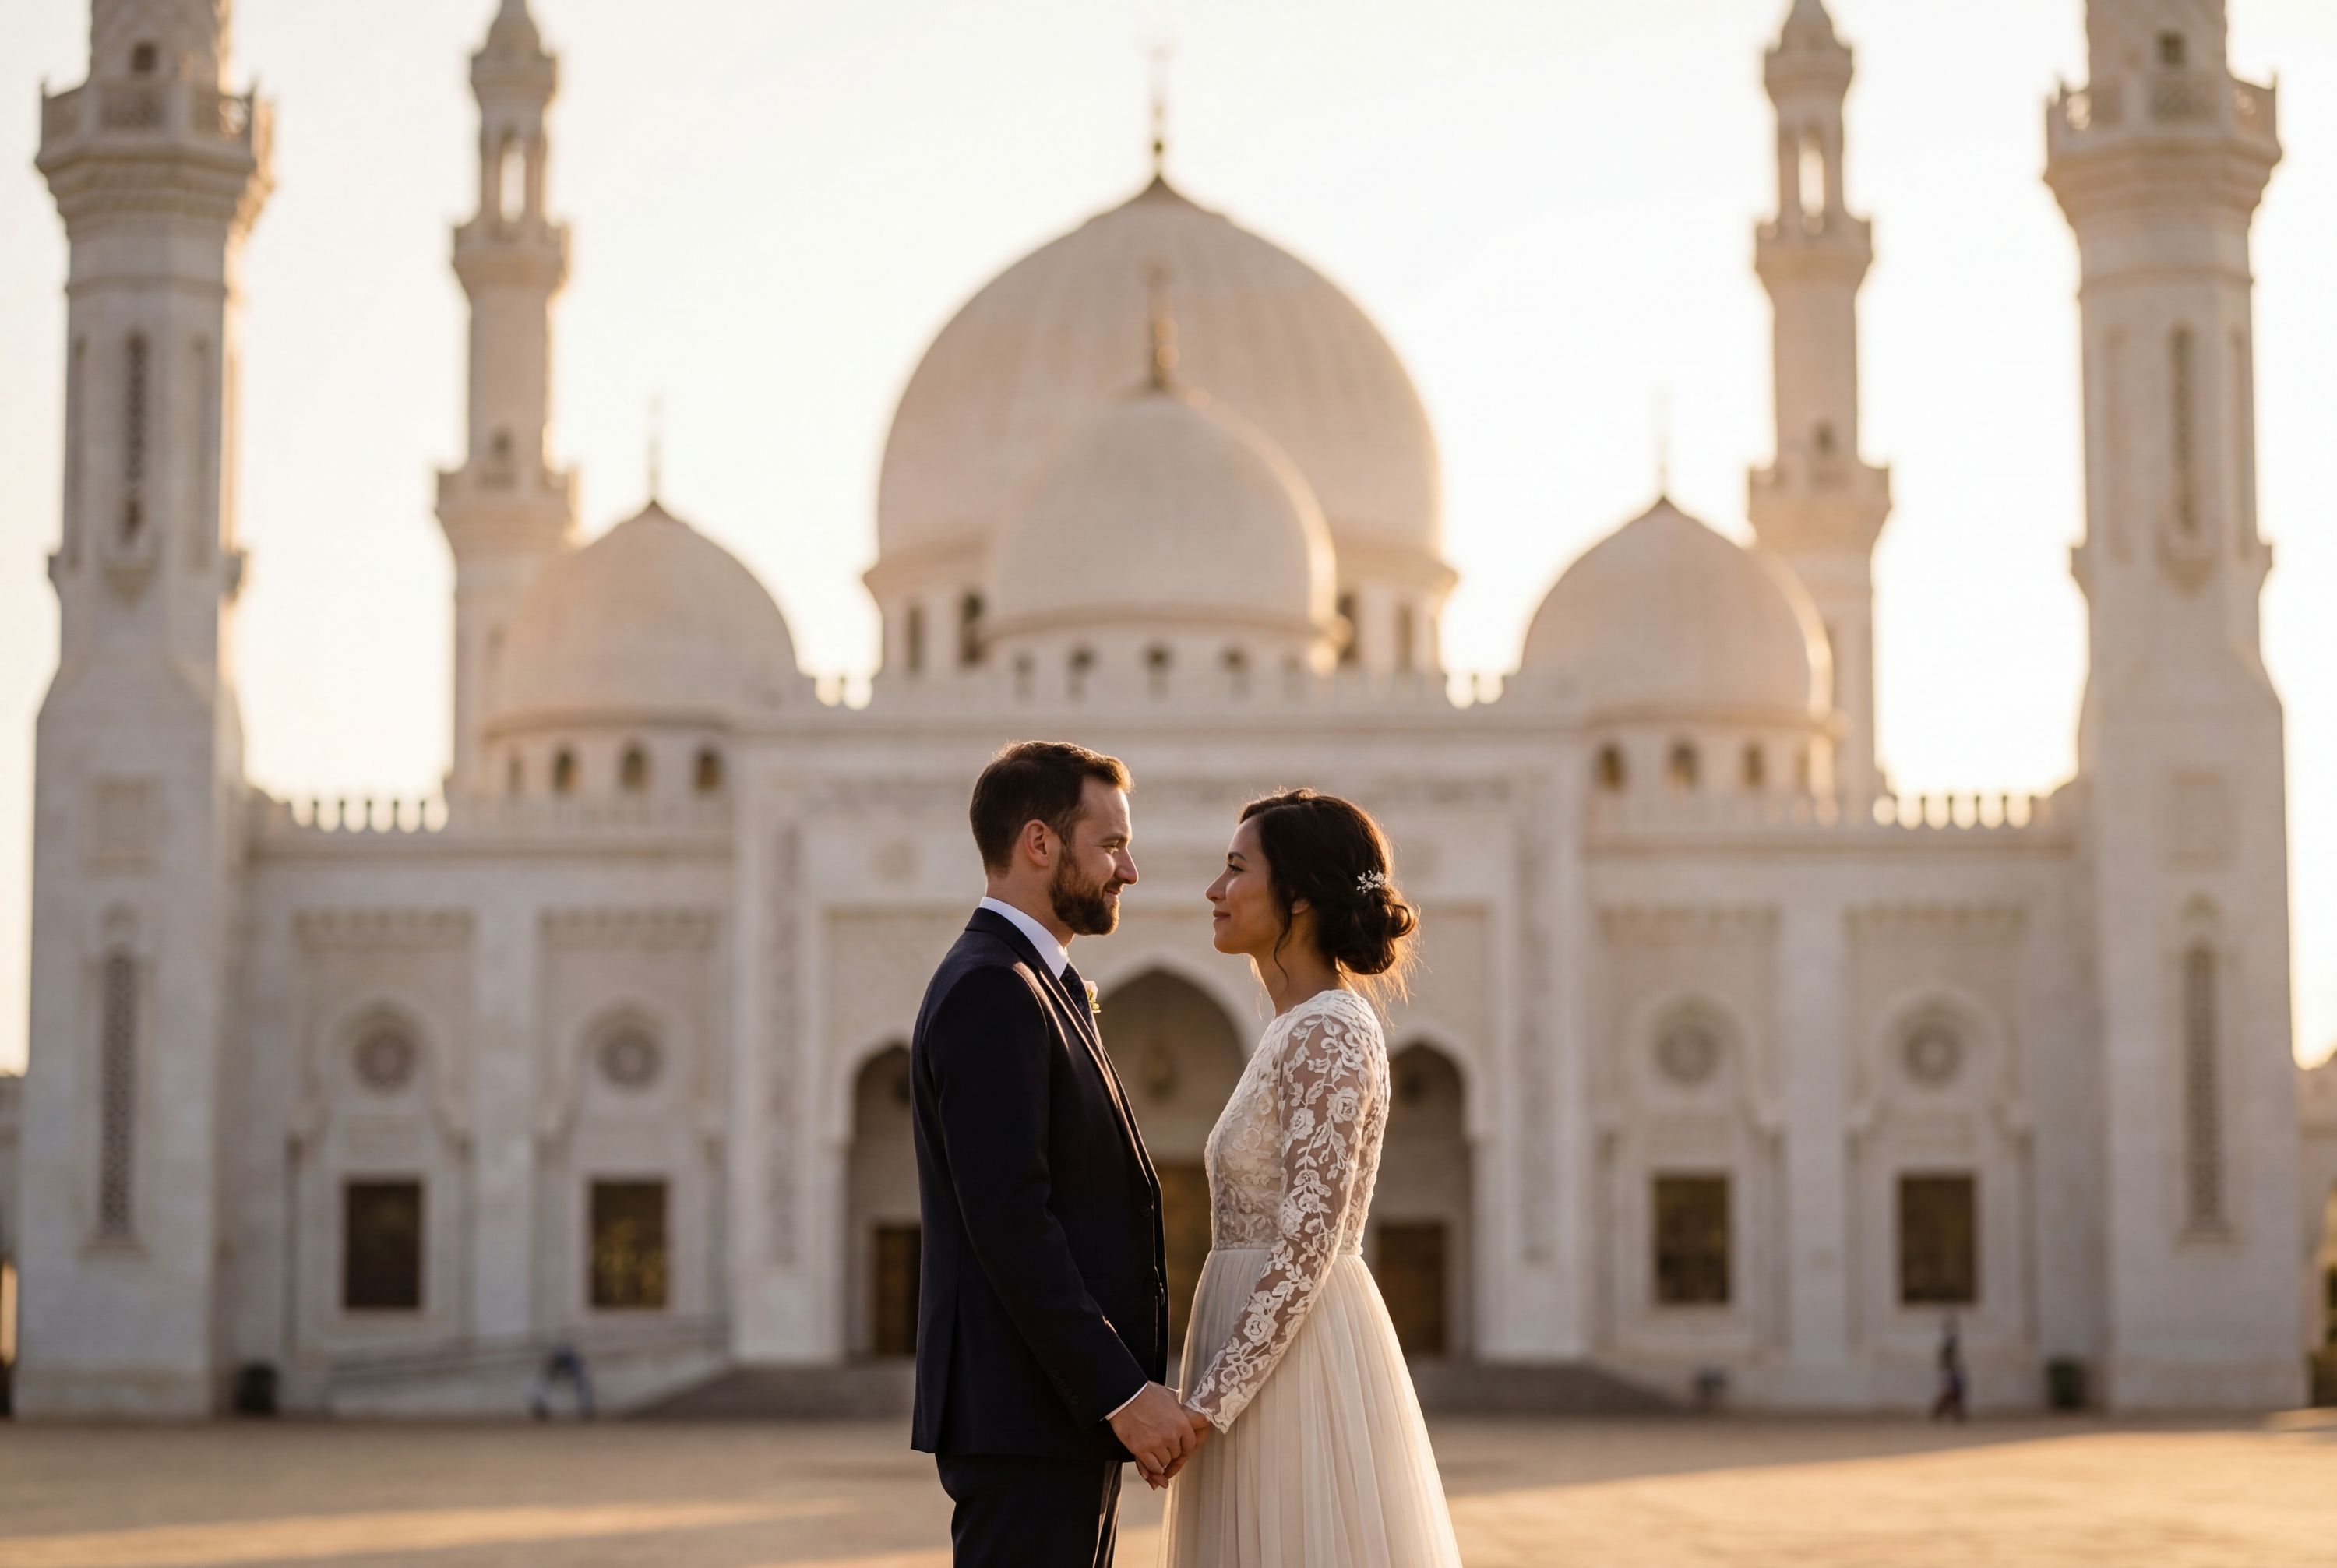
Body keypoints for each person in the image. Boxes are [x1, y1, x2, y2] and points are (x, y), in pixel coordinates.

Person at [1158, 788, 1464, 1566]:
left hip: (1295, 1367)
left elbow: (1306, 1246)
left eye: (1236, 869)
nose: (1215, 890)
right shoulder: (1294, 1027)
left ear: (1296, 896)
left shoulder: (1330, 1029)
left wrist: (1207, 1406)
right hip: (1256, 1357)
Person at [909, 741, 1190, 1568]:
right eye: (1111, 845)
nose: (1128, 870)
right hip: (1025, 1419)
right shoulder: (994, 987)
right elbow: (1011, 1223)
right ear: (1040, 842)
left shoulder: (1035, 981)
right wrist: (1121, 1393)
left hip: (1050, 1420)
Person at [1931, 1317, 1969, 1422]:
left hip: (1953, 1372)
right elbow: (1945, 1362)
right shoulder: (1947, 1348)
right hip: (1950, 1373)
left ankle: (1955, 1415)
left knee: (1955, 1394)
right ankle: (1941, 1414)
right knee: (1950, 1394)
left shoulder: (1951, 1346)